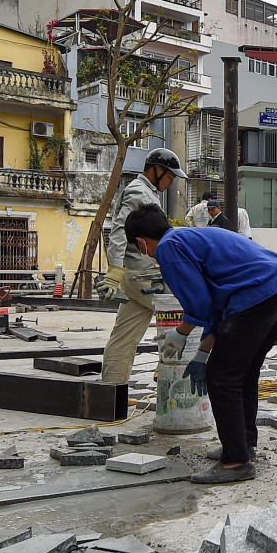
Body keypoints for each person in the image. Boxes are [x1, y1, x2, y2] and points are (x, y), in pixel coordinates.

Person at [125, 205, 277, 484]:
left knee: (223, 378)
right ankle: (242, 445)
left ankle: (235, 462)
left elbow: (200, 305)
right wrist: (202, 353)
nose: (143, 253)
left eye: (139, 248)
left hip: (259, 293)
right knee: (243, 373)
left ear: (141, 242)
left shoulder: (169, 248)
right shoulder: (188, 239)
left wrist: (180, 332)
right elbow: (218, 307)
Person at [100, 148, 180, 387]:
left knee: (125, 335)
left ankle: (111, 392)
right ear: (156, 170)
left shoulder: (148, 192)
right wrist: (114, 272)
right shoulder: (138, 191)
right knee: (182, 313)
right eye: (170, 176)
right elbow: (118, 230)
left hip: (136, 277)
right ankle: (170, 374)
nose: (171, 181)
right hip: (142, 274)